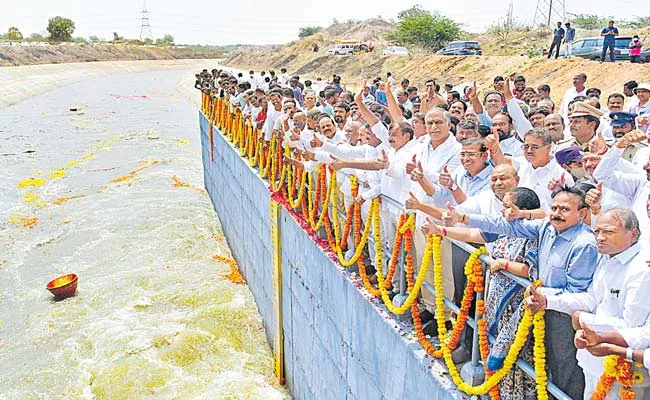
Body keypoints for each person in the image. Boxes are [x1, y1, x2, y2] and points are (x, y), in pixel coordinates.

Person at [448, 186, 599, 400]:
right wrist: (463, 217)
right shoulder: (547, 226)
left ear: (582, 214)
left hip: (563, 316)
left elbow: (577, 293)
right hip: (539, 307)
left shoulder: (584, 244)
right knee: (544, 366)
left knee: (564, 371)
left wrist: (543, 295)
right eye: (554, 207)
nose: (557, 213)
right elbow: (504, 226)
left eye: (565, 209)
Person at [421, 187, 541, 400]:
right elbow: (473, 234)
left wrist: (504, 264)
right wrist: (441, 230)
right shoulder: (506, 227)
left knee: (517, 354)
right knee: (496, 346)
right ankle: (497, 390)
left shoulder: (533, 233)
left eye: (507, 206)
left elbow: (529, 271)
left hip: (516, 307)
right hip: (496, 300)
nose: (502, 210)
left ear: (522, 210)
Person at [526, 208, 650, 399]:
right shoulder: (606, 257)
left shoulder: (642, 269)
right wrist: (548, 300)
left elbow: (631, 326)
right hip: (591, 359)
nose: (599, 237)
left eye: (608, 231)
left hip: (622, 369)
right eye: (597, 231)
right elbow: (591, 298)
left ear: (633, 234)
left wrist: (582, 319)